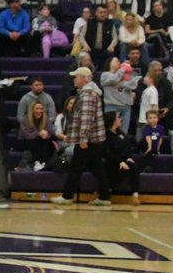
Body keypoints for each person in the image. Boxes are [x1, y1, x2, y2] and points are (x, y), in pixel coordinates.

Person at [51, 66, 111, 207]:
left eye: (76, 77)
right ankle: (104, 196)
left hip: (88, 139)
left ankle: (68, 196)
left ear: (84, 79)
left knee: (76, 167)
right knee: (96, 167)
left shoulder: (87, 95)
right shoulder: (87, 93)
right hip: (92, 138)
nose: (74, 80)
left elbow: (86, 118)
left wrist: (83, 138)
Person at [17, 101, 54, 171]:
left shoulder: (46, 119)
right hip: (26, 141)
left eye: (41, 109)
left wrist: (46, 134)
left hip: (41, 141)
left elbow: (50, 131)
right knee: (35, 140)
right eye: (37, 109)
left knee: (47, 140)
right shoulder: (25, 119)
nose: (39, 111)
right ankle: (36, 162)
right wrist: (38, 133)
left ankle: (43, 163)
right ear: (32, 110)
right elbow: (26, 135)